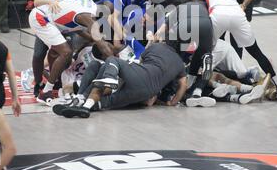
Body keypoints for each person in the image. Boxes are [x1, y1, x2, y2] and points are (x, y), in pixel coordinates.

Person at [198, 0, 277, 101]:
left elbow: (198, 7)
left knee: (205, 52)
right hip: (237, 14)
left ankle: (197, 89)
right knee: (256, 52)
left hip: (219, 14)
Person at [60, 43, 188, 118]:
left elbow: (142, 65)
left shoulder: (156, 47)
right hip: (145, 92)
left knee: (110, 62)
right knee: (107, 100)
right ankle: (85, 106)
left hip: (133, 77)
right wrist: (172, 103)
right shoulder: (179, 64)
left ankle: (81, 98)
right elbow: (183, 85)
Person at [28, 0, 113, 104]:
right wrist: (117, 65)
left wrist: (96, 39)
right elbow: (102, 46)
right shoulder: (87, 16)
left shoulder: (89, 3)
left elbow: (78, 29)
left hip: (52, 20)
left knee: (63, 56)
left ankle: (50, 80)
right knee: (66, 52)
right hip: (41, 18)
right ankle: (45, 92)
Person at [31, 0, 86, 96]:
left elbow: (85, 4)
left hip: (66, 24)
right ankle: (38, 83)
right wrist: (49, 1)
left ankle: (56, 79)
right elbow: (37, 2)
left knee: (66, 55)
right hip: (46, 21)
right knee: (38, 54)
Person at [98, 0, 164, 48]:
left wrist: (150, 34)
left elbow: (142, 19)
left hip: (119, 19)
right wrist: (121, 39)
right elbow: (113, 18)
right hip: (102, 14)